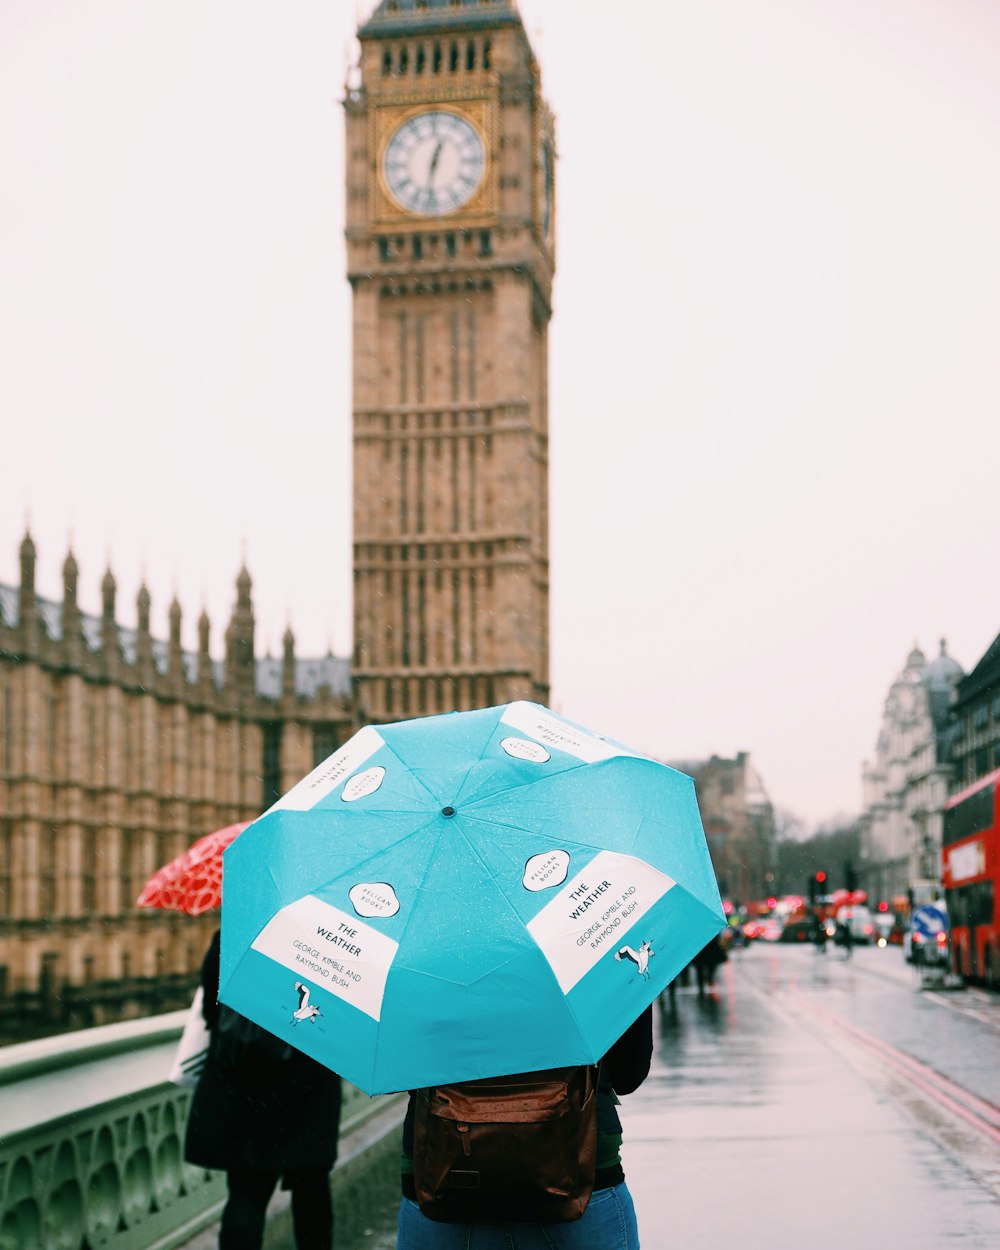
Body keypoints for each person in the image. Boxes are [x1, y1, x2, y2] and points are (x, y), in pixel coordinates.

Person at [396, 1005, 653, 1249]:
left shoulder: (413, 961)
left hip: (441, 1163)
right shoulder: (594, 958)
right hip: (580, 1164)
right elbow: (627, 1073)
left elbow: (396, 1068)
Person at [184, 930, 343, 1250]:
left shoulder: (236, 930)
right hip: (309, 1082)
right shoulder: (329, 938)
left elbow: (210, 1009)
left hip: (248, 1086)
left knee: (247, 1193)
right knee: (311, 1188)